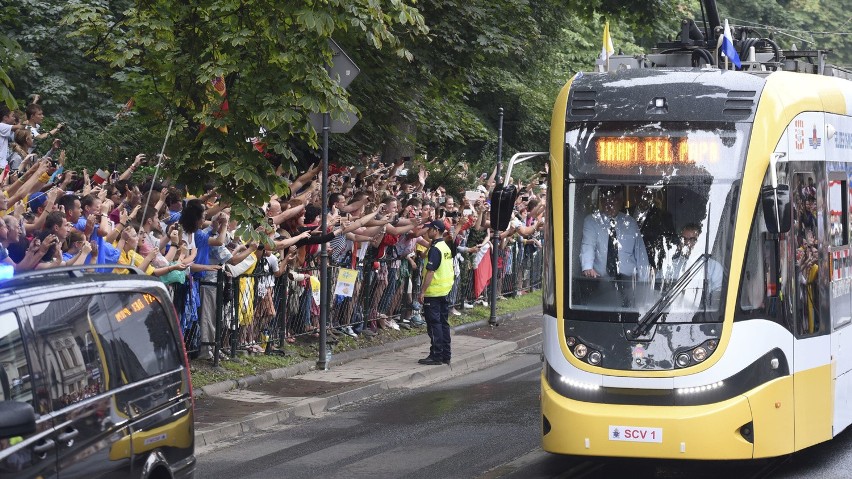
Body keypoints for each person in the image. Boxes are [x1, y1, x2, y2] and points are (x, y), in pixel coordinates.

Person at [580, 186, 649, 280]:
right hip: (600, 281)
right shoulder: (591, 221)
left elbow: (640, 252)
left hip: (629, 282)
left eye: (614, 200)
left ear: (621, 202)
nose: (610, 205)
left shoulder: (630, 222)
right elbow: (588, 245)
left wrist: (644, 281)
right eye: (606, 200)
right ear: (601, 201)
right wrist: (587, 267)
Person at [418, 220, 454, 366]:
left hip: (433, 292)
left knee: (434, 324)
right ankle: (446, 354)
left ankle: (436, 355)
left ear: (435, 230)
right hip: (444, 291)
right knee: (443, 324)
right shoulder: (444, 246)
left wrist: (422, 291)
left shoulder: (436, 249)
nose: (427, 232)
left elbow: (431, 271)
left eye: (429, 229)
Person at [666, 223, 724, 296]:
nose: (687, 243)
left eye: (692, 239)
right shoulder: (670, 265)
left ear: (699, 242)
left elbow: (717, 298)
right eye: (684, 239)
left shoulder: (714, 267)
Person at [628, 187, 675, 270]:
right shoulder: (625, 214)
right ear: (634, 192)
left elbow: (670, 245)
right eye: (639, 191)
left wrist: (658, 266)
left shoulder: (664, 217)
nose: (643, 196)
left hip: (651, 271)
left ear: (652, 194)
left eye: (647, 192)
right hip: (625, 271)